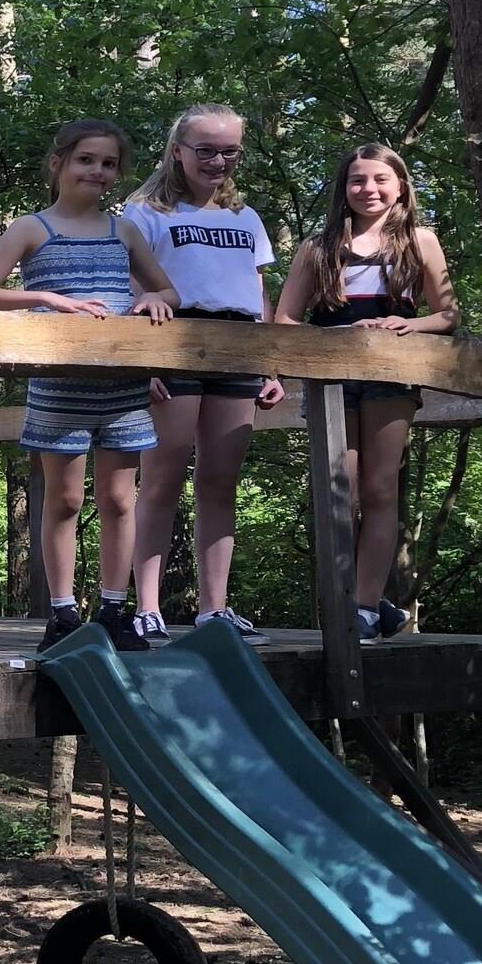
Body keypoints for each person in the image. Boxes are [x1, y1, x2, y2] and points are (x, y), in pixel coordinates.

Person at [0, 118, 179, 652]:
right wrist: (46, 299)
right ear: (58, 163)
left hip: (122, 387)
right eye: (86, 160)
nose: (97, 171)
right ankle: (61, 613)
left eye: (108, 164)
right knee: (63, 499)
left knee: (119, 499)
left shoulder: (123, 231)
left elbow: (169, 290)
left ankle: (113, 610)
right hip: (59, 386)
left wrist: (155, 300)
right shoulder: (31, 228)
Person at [273, 143, 458, 642]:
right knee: (342, 492)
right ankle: (346, 600)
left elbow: (447, 314)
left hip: (392, 374)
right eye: (357, 180)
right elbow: (285, 319)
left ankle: (367, 607)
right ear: (344, 188)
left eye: (380, 179)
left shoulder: (420, 241)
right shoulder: (318, 247)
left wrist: (409, 323)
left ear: (400, 186)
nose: (368, 189)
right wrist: (328, 340)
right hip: (331, 377)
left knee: (379, 491)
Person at [123, 103, 285, 647]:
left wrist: (270, 362)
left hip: (238, 346)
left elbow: (256, 292)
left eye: (229, 151)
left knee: (220, 480)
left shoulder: (245, 217)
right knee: (162, 476)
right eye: (206, 150)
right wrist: (141, 360)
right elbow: (131, 287)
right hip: (172, 340)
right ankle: (146, 608)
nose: (218, 161)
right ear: (178, 151)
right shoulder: (145, 212)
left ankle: (215, 609)